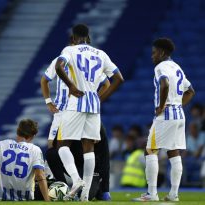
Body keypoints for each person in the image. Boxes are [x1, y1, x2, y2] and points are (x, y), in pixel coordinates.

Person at [54, 24, 124, 201]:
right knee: (89, 146)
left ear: (74, 36)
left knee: (62, 144)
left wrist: (71, 86)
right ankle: (85, 195)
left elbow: (58, 66)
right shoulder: (101, 54)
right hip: (94, 103)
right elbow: (118, 79)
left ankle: (76, 180)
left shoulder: (70, 50)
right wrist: (100, 98)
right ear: (88, 36)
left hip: (76, 101)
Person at [41, 53, 112, 201]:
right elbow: (44, 79)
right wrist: (48, 101)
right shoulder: (89, 61)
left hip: (75, 109)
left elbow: (104, 153)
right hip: (68, 111)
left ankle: (87, 186)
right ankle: (66, 186)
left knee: (65, 146)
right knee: (53, 150)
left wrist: (106, 188)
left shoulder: (80, 62)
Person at [132, 38, 195, 202]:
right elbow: (191, 91)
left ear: (162, 52)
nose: (152, 56)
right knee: (174, 152)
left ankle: (152, 194)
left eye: (154, 53)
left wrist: (161, 106)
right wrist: (176, 105)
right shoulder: (177, 66)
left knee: (150, 150)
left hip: (166, 115)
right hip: (179, 114)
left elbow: (164, 84)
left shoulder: (161, 67)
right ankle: (173, 194)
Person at [0, 119, 49, 201]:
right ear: (33, 136)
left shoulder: (1, 145)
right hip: (25, 197)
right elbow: (40, 175)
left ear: (17, 131)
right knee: (35, 178)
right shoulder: (35, 150)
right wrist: (47, 201)